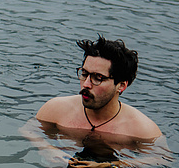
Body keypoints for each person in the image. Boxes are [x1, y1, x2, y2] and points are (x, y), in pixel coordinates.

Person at [31, 36, 161, 142]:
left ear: (121, 85)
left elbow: (160, 160)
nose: (86, 84)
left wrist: (110, 166)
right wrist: (49, 151)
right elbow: (29, 132)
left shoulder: (143, 130)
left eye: (98, 78)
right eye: (84, 74)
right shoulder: (56, 109)